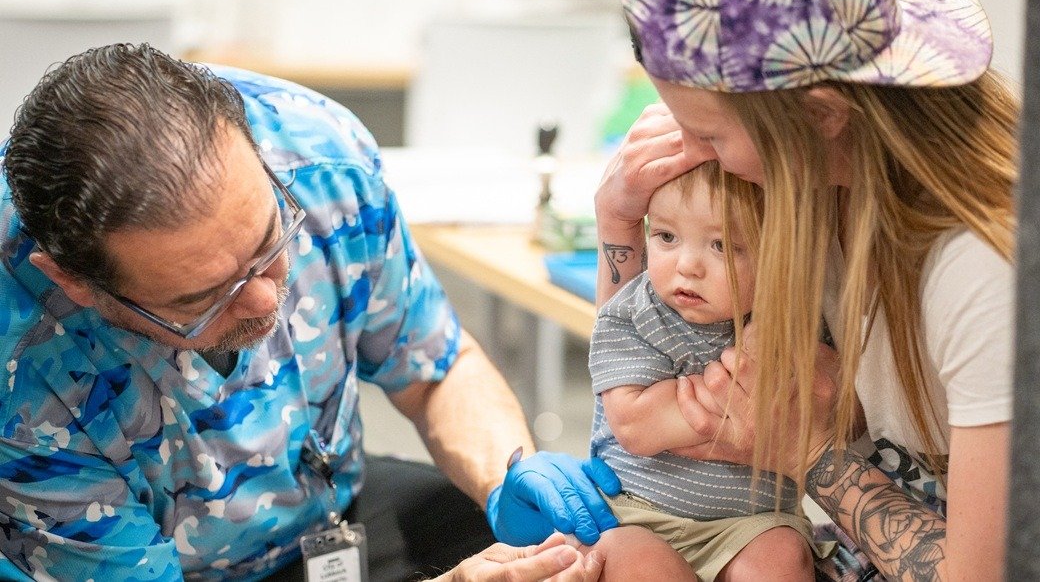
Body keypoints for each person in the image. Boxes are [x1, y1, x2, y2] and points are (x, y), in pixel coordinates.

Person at [0, 43, 619, 581]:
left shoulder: (319, 157)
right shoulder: (19, 359)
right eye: (201, 299)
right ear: (76, 283)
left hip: (328, 512)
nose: (266, 301)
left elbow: (435, 370)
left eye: (270, 243)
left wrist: (505, 478)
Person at [595, 0, 1018, 580]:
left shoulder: (981, 267)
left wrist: (812, 449)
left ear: (822, 115)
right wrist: (619, 222)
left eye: (709, 134)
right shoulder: (809, 192)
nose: (687, 153)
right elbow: (641, 361)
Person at [587, 160, 830, 581]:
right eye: (666, 237)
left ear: (779, 255)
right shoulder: (632, 312)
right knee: (636, 563)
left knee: (783, 558)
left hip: (753, 522)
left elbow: (818, 410)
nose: (687, 265)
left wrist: (681, 402)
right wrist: (750, 392)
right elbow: (636, 426)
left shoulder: (794, 321)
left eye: (721, 245)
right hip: (636, 514)